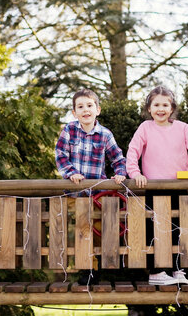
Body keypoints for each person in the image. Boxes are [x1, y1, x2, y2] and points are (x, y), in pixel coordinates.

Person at [126, 85, 188, 285]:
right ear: (149, 108)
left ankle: (177, 269)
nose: (161, 108)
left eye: (165, 104)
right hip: (153, 187)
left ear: (172, 107)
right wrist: (135, 173)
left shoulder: (182, 128)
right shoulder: (145, 128)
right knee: (155, 228)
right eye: (156, 104)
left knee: (179, 228)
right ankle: (157, 272)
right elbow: (133, 152)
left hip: (178, 185)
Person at [55, 89, 127, 285]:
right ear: (74, 112)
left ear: (98, 110)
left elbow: (118, 157)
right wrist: (71, 172)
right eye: (80, 107)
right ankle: (86, 269)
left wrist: (120, 172)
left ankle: (102, 266)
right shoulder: (69, 130)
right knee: (82, 229)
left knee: (100, 228)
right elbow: (60, 154)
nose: (85, 110)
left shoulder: (105, 134)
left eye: (89, 106)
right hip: (76, 193)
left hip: (99, 193)